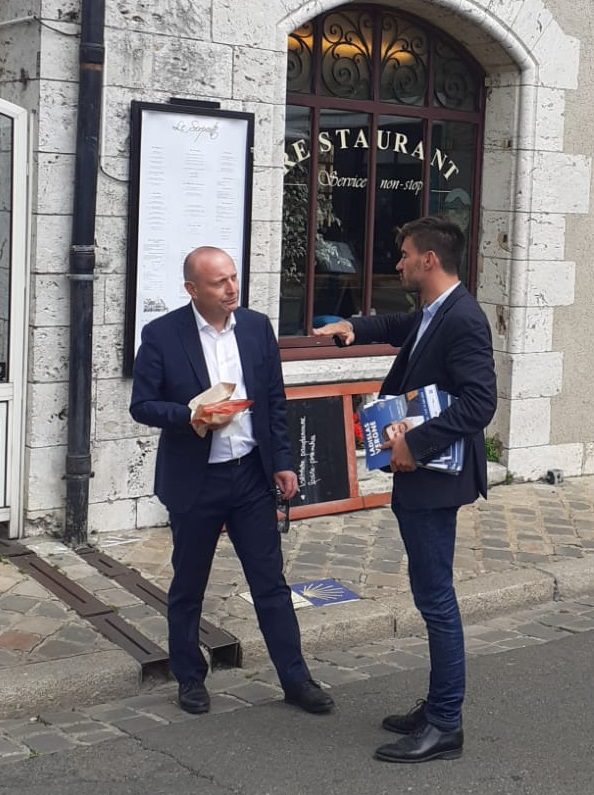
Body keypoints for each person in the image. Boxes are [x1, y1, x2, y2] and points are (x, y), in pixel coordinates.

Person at [314, 216, 496, 763]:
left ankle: (445, 724)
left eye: (405, 255)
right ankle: (437, 706)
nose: (398, 264)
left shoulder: (463, 319)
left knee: (437, 600)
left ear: (429, 260)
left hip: (435, 480)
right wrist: (353, 327)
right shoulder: (437, 310)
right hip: (423, 479)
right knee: (429, 595)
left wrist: (415, 443)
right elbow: (402, 326)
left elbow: (480, 403)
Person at [130, 246, 334, 717]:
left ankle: (296, 679)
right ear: (192, 289)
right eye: (219, 282)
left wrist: (283, 462)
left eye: (233, 278)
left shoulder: (257, 328)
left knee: (271, 583)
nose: (231, 288)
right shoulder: (162, 335)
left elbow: (275, 401)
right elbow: (142, 405)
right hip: (196, 480)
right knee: (189, 586)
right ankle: (190, 677)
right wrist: (191, 415)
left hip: (249, 476)